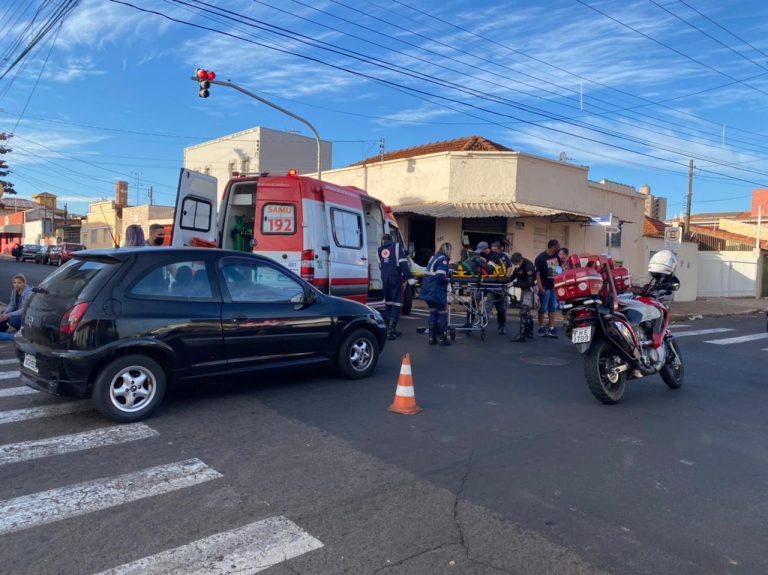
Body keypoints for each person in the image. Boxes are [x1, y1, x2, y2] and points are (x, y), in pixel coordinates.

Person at [377, 234, 415, 340]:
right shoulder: (397, 247)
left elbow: (381, 266)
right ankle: (390, 331)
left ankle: (388, 329)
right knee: (396, 303)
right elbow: (404, 265)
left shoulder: (379, 250)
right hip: (395, 278)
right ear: (391, 240)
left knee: (388, 303)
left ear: (383, 241)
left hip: (384, 278)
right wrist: (410, 278)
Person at [419, 242, 452, 346]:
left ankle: (432, 339)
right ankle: (442, 339)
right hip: (436, 290)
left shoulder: (434, 257)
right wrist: (449, 279)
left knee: (433, 312)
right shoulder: (444, 260)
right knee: (442, 313)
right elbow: (440, 276)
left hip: (427, 290)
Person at [534, 239, 561, 338]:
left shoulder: (556, 257)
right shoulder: (540, 258)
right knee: (543, 308)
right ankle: (540, 327)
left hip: (553, 287)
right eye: (557, 246)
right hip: (544, 287)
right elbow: (537, 274)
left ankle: (551, 328)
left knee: (552, 308)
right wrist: (540, 288)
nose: (559, 248)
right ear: (553, 247)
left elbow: (558, 270)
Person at [508, 252, 537, 342]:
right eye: (514, 264)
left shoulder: (528, 266)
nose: (515, 266)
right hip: (523, 289)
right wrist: (503, 281)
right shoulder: (518, 267)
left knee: (524, 311)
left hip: (529, 289)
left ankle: (522, 334)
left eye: (516, 264)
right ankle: (529, 332)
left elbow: (530, 282)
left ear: (521, 260)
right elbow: (512, 277)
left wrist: (514, 284)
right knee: (526, 313)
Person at [487, 242, 512, 334]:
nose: (494, 252)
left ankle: (502, 327)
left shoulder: (504, 257)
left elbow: (509, 268)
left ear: (500, 249)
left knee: (502, 308)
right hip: (490, 285)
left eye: (496, 250)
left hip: (501, 286)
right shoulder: (489, 257)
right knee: (488, 305)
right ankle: (483, 323)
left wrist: (505, 278)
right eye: (492, 250)